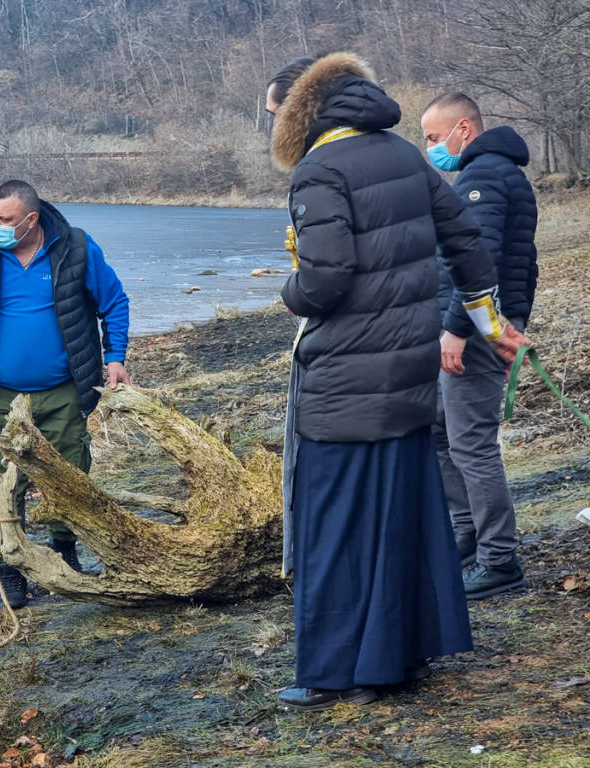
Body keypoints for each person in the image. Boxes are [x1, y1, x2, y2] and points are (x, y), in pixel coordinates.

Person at [265, 53, 531, 711]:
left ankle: (330, 673)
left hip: (348, 381)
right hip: (409, 370)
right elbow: (468, 245)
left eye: (274, 115)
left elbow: (325, 280)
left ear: (303, 112)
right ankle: (398, 657)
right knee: (397, 517)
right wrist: (489, 319)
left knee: (331, 525)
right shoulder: (404, 154)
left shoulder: (319, 170)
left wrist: (288, 291)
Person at [0, 179, 130, 608]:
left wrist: (116, 357)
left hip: (63, 390)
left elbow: (114, 302)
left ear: (31, 219)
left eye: (5, 218)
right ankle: (9, 566)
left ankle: (64, 549)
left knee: (70, 475)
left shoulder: (76, 248)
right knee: (1, 481)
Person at [421, 93, 538, 600]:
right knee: (442, 433)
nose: (430, 148)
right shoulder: (491, 172)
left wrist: (458, 328)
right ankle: (466, 537)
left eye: (431, 137)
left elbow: (479, 260)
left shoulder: (484, 175)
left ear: (462, 128)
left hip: (475, 328)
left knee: (470, 443)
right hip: (479, 323)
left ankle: (498, 558)